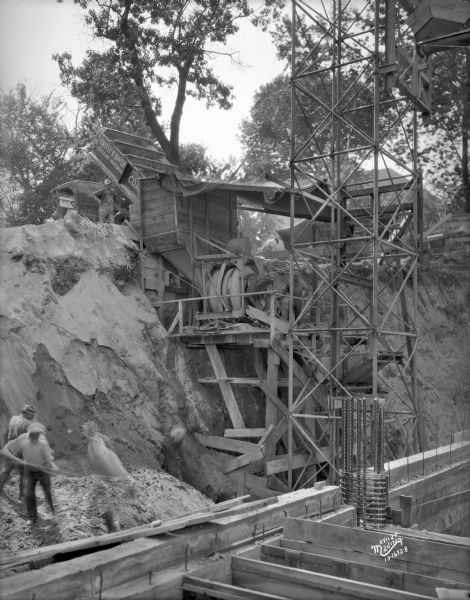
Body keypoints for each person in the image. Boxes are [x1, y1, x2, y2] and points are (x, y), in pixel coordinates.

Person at [21, 423, 58, 524]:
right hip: (29, 471)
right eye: (35, 433)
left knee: (48, 493)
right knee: (29, 495)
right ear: (30, 434)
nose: (37, 435)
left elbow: (47, 458)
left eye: (38, 433)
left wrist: (51, 466)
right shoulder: (24, 443)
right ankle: (32, 517)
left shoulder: (42, 443)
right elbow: (22, 456)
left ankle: (52, 514)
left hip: (42, 471)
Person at [0, 404, 36, 497]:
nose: (32, 417)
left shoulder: (13, 418)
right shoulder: (28, 424)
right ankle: (22, 495)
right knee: (23, 473)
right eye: (31, 414)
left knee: (6, 470)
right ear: (27, 413)